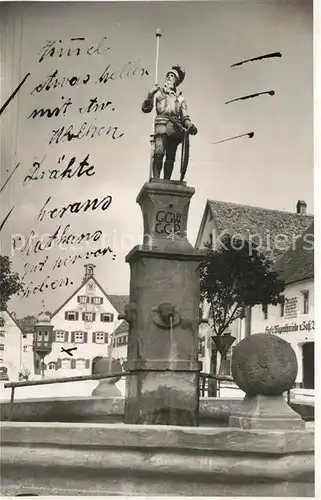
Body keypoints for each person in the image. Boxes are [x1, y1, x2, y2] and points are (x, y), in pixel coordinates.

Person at [142, 65, 197, 180]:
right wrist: (149, 95)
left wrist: (190, 126)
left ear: (176, 81)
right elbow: (146, 109)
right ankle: (156, 179)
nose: (169, 78)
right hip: (161, 125)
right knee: (158, 153)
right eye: (168, 76)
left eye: (172, 77)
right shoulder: (158, 94)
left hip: (175, 128)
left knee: (170, 157)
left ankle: (167, 181)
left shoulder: (180, 99)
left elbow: (185, 117)